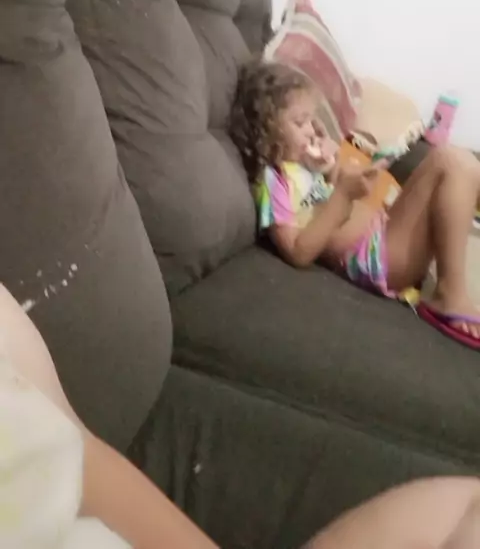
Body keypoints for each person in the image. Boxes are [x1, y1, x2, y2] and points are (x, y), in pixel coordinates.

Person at [0, 282, 478, 547]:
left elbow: (79, 452)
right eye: (308, 133)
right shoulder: (282, 183)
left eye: (319, 134)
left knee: (464, 506)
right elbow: (301, 245)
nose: (318, 140)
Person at [230, 60, 480, 346]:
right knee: (452, 162)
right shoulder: (275, 182)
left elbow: (330, 193)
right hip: (380, 258)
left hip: (384, 230)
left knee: (454, 161)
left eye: (311, 120)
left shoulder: (305, 166)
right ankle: (451, 294)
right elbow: (298, 251)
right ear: (267, 134)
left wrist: (333, 164)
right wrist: (342, 195)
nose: (311, 130)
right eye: (299, 123)